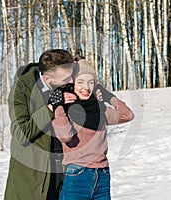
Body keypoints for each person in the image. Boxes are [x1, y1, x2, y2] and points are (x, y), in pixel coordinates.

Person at [49, 59, 134, 200]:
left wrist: (108, 96)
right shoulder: (67, 109)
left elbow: (127, 115)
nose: (86, 87)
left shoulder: (101, 110)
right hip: (77, 174)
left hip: (102, 174)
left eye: (91, 82)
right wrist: (58, 105)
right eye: (80, 82)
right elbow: (65, 136)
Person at [4, 49, 78, 200]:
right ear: (47, 78)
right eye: (66, 78)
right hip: (32, 172)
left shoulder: (68, 83)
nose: (71, 81)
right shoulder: (22, 89)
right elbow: (21, 133)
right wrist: (50, 107)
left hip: (65, 168)